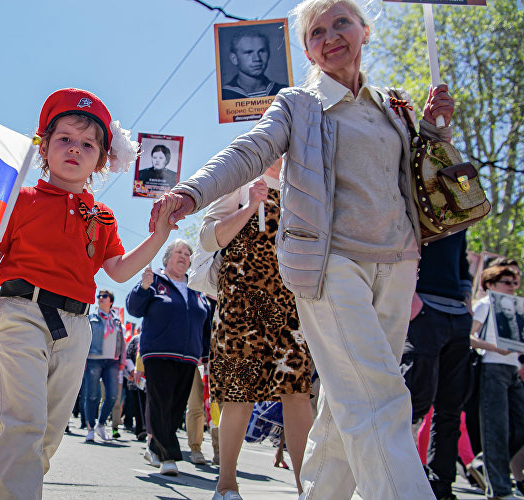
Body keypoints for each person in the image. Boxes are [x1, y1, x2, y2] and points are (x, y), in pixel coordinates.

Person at [151, 0, 456, 496]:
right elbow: (248, 151)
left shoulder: (394, 105)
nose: (331, 35)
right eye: (317, 31)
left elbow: (420, 179)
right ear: (309, 52)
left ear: (364, 30)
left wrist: (435, 130)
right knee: (380, 396)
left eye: (342, 23)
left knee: (343, 405)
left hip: (398, 264)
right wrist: (192, 191)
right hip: (329, 266)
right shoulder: (298, 104)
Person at [0, 88, 177, 499]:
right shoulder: (19, 199)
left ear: (102, 160)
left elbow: (118, 271)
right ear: (43, 146)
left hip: (76, 327)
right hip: (22, 313)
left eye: (88, 144)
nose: (75, 149)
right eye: (64, 138)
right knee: (23, 423)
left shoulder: (101, 216)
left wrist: (160, 235)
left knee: (47, 431)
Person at [198, 160, 314, 497]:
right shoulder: (240, 178)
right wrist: (249, 206)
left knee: (297, 392)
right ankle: (226, 485)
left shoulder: (304, 183)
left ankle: (306, 489)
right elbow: (207, 238)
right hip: (241, 302)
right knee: (240, 390)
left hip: (291, 303)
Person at [126, 239, 212, 477]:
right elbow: (134, 309)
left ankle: (154, 448)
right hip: (158, 353)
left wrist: (204, 353)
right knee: (160, 402)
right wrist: (143, 287)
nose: (184, 256)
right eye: (179, 252)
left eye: (187, 253)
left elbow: (204, 323)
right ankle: (168, 456)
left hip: (189, 357)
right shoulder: (155, 280)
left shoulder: (196, 287)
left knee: (175, 407)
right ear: (166, 258)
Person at [399, 230, 474, 500]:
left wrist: (466, 296)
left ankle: (441, 486)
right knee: (414, 399)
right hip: (424, 307)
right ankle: (395, 475)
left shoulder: (462, 205)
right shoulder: (416, 193)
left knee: (451, 408)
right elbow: (402, 244)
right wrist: (411, 294)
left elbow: (462, 260)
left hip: (456, 313)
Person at [471, 264, 524, 499]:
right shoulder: (485, 304)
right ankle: (500, 489)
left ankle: (483, 463)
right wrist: (496, 348)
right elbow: (469, 336)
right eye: (506, 282)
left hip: (514, 369)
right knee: (496, 428)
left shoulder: (516, 308)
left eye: (514, 283)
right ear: (490, 285)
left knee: (519, 427)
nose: (512, 287)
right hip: (492, 367)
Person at [83, 289, 126, 442]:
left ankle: (100, 424)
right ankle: (90, 428)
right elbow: (84, 338)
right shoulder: (91, 317)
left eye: (104, 296)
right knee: (92, 395)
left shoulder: (116, 320)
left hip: (112, 362)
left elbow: (122, 343)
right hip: (94, 359)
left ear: (111, 301)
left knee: (113, 396)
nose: (100, 298)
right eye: (99, 296)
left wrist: (122, 362)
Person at [221, 29, 287, 100]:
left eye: (261, 51)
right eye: (249, 52)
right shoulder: (224, 95)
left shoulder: (283, 92)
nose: (257, 58)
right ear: (234, 58)